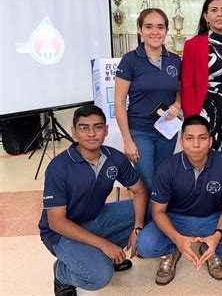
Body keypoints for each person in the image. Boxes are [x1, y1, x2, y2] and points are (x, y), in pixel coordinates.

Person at [38, 105, 148, 295]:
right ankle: (62, 273)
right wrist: (105, 245)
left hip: (95, 218)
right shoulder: (59, 167)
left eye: (97, 127)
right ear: (74, 131)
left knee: (151, 211)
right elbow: (56, 222)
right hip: (60, 233)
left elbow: (140, 191)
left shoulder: (114, 158)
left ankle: (99, 256)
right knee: (98, 276)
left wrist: (137, 229)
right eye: (83, 127)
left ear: (105, 130)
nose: (91, 133)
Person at [136, 115, 222, 285]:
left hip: (212, 218)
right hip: (175, 218)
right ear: (181, 141)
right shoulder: (167, 167)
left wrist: (217, 236)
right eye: (190, 138)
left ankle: (210, 249)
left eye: (202, 138)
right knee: (144, 245)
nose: (196, 145)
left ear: (210, 141)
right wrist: (177, 238)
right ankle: (174, 250)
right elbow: (158, 212)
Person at [115, 8, 181, 192]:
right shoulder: (130, 60)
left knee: (162, 178)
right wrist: (127, 140)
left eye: (160, 27)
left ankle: (159, 217)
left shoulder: (175, 60)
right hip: (140, 131)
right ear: (139, 29)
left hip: (166, 131)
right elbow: (119, 102)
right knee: (148, 182)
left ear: (166, 30)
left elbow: (181, 90)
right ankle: (151, 219)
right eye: (149, 27)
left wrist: (178, 104)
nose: (155, 32)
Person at [181, 0, 222, 163]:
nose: (220, 14)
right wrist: (191, 119)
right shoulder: (193, 44)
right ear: (205, 16)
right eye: (214, 10)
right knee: (204, 156)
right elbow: (187, 84)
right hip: (205, 110)